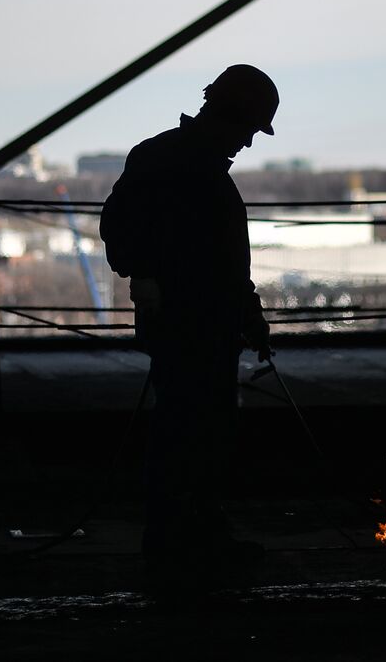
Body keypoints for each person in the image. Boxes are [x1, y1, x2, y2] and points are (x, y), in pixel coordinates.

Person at [99, 63, 277, 575]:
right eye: (248, 130)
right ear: (230, 116)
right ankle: (182, 539)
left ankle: (191, 534)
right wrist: (148, 276)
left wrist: (248, 313)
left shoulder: (180, 163)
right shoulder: (170, 163)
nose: (247, 143)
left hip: (204, 323)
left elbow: (223, 263)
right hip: (187, 325)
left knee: (202, 431)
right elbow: (124, 232)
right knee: (188, 432)